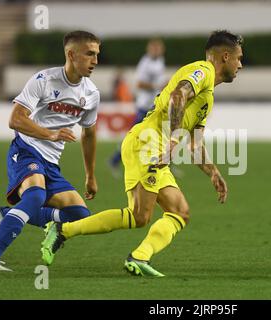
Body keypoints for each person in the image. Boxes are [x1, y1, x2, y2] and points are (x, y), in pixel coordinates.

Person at [41, 30, 243, 277]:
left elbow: (194, 143)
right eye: (238, 58)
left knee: (179, 212)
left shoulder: (208, 97)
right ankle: (64, 230)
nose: (240, 65)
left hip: (155, 146)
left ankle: (138, 256)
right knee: (139, 215)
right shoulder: (202, 71)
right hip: (147, 143)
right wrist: (173, 138)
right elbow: (178, 96)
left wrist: (213, 172)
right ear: (225, 56)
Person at [0, 30, 101, 271]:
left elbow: (90, 134)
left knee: (80, 215)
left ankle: (5, 214)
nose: (95, 60)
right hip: (26, 150)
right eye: (89, 54)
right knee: (35, 197)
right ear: (71, 55)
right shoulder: (43, 80)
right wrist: (50, 134)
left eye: (97, 54)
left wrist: (90, 176)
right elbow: (16, 119)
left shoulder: (91, 93)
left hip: (51, 163)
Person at [108, 38, 167, 173]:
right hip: (145, 106)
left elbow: (160, 80)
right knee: (134, 136)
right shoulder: (145, 63)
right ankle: (115, 160)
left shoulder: (160, 61)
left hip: (156, 104)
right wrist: (158, 86)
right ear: (149, 49)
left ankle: (165, 164)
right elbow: (139, 84)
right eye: (155, 48)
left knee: (160, 134)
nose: (158, 51)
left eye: (159, 48)